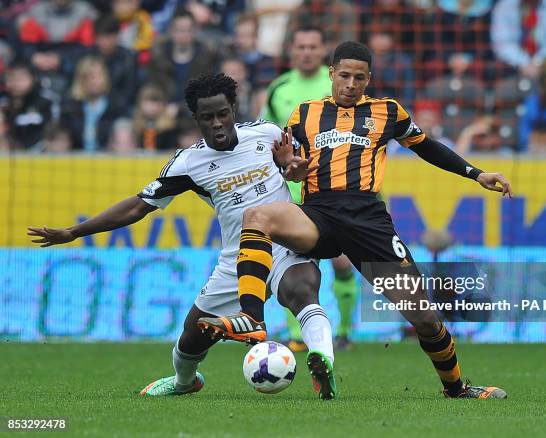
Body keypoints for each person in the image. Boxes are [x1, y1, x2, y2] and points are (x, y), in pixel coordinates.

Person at [199, 42, 512, 399]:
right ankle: (252, 318)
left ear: (368, 79)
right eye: (344, 75)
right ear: (331, 74)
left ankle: (455, 387)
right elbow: (292, 169)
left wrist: (476, 173)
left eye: (359, 77)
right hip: (318, 214)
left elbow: (427, 146)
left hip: (368, 222)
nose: (350, 83)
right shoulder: (304, 114)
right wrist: (292, 167)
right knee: (256, 216)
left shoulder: (388, 112)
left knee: (423, 317)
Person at [27, 73, 338, 400]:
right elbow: (137, 207)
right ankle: (184, 381)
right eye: (208, 118)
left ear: (233, 109)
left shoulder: (267, 134)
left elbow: (305, 166)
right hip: (237, 259)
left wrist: (292, 167)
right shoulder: (188, 163)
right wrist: (74, 232)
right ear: (196, 119)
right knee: (193, 335)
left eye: (223, 114)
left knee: (301, 290)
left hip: (283, 245)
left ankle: (323, 361)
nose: (217, 123)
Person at [262, 25, 360, 352]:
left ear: (323, 52)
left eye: (312, 46)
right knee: (295, 264)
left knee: (343, 262)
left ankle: (345, 331)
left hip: (337, 191)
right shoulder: (279, 89)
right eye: (300, 46)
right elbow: (269, 139)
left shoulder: (338, 83)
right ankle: (299, 337)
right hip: (292, 194)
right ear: (292, 50)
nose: (306, 52)